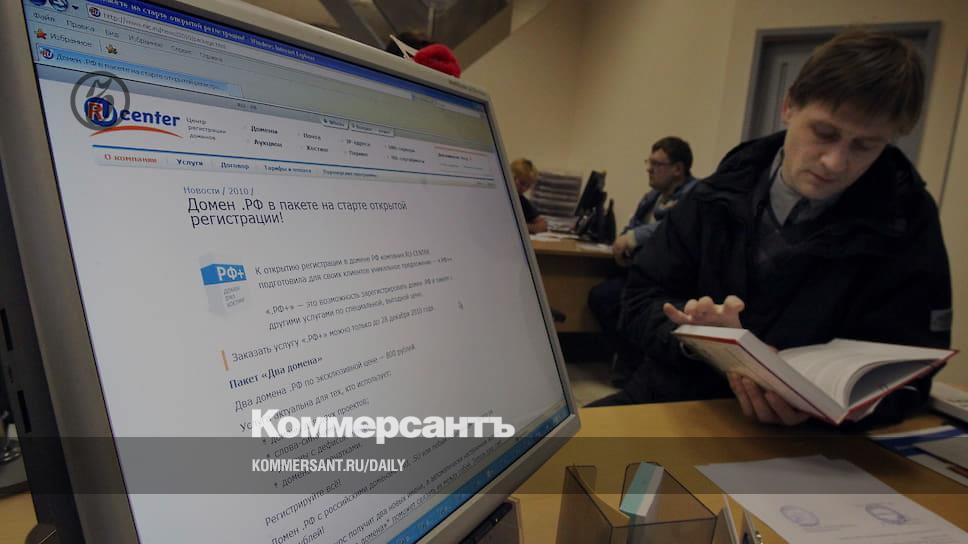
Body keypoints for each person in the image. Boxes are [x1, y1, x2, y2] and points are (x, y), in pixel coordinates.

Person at [594, 29, 951, 427]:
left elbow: (912, 372)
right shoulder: (717, 193)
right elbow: (639, 298)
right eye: (824, 133)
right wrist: (700, 341)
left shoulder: (906, 221)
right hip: (676, 399)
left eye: (864, 146)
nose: (835, 162)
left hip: (814, 439)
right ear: (789, 105)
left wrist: (818, 407)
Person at [587, 137, 697, 385]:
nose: (649, 169)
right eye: (649, 162)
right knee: (602, 296)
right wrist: (625, 244)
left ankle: (633, 366)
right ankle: (629, 361)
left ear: (678, 169)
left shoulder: (694, 197)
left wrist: (633, 238)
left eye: (657, 164)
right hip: (639, 270)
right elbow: (632, 225)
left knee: (618, 300)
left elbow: (669, 226)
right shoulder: (652, 197)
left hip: (669, 279)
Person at [510, 158, 548, 234]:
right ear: (511, 177)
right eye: (522, 183)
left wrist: (522, 227)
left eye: (528, 186)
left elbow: (543, 225)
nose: (524, 189)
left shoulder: (521, 200)